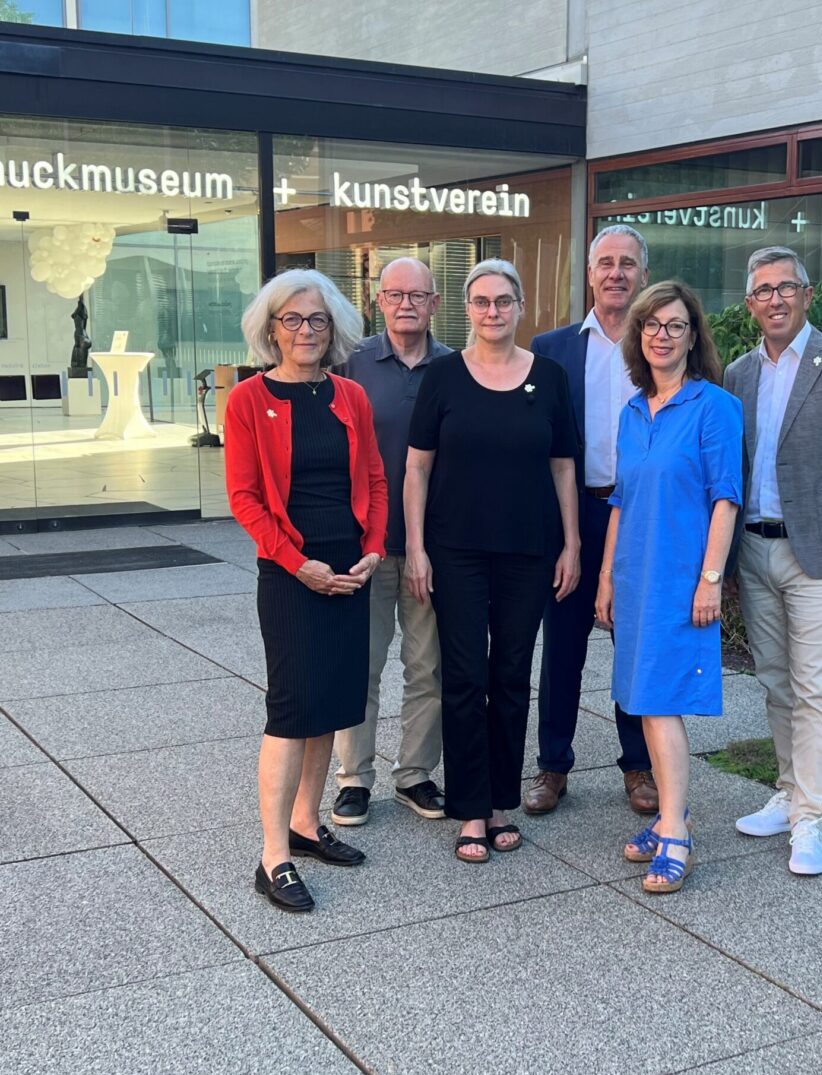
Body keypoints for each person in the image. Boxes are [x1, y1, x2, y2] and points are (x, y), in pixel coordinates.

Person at [405, 259, 580, 863]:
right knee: (462, 678)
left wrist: (573, 543)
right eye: (481, 302)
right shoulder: (443, 377)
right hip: (455, 550)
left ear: (521, 306)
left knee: (510, 675)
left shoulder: (551, 377)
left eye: (504, 301)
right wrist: (418, 548)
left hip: (530, 550)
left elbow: (564, 466)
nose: (492, 312)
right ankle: (470, 809)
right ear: (467, 309)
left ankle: (501, 800)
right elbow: (417, 467)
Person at [227, 268, 387, 912]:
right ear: (271, 329)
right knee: (292, 711)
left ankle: (305, 822)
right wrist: (298, 564)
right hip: (292, 576)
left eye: (317, 319)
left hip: (349, 570)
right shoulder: (247, 400)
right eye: (292, 320)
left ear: (335, 327)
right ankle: (273, 856)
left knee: (332, 705)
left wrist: (374, 549)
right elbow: (244, 499)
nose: (305, 331)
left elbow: (374, 479)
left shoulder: (350, 396)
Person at [725, 246, 822, 876]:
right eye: (763, 290)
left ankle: (812, 819)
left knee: (816, 687)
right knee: (775, 682)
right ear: (750, 305)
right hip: (755, 549)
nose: (775, 299)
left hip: (818, 554)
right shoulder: (737, 374)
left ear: (807, 294)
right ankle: (790, 793)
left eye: (786, 287)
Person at [595, 281, 743, 893]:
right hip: (634, 578)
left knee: (659, 702)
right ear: (638, 337)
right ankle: (665, 818)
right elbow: (621, 502)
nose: (662, 335)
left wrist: (711, 580)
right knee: (639, 698)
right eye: (651, 325)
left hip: (682, 581)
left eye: (675, 325)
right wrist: (605, 578)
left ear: (692, 336)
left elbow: (726, 499)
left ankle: (677, 830)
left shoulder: (714, 406)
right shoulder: (632, 411)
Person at [526, 224, 656, 817]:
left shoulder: (661, 343)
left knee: (633, 644)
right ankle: (553, 766)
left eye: (628, 263)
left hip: (640, 518)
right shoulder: (550, 349)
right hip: (571, 513)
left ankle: (639, 766)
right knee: (563, 647)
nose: (616, 273)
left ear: (643, 275)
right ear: (589, 273)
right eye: (606, 262)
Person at [331, 258, 452, 827]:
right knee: (361, 665)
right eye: (395, 294)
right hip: (367, 548)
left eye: (418, 295)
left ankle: (416, 775)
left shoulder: (457, 368)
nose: (407, 304)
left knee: (427, 668)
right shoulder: (349, 365)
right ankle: (354, 778)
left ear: (434, 302)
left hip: (432, 545)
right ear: (378, 301)